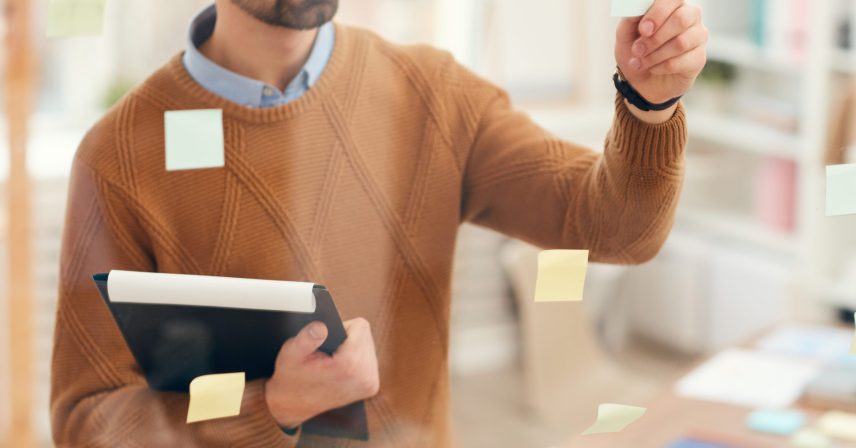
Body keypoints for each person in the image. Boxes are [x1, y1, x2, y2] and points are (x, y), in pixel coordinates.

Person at [50, 0, 707, 446]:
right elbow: (89, 422)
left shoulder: (434, 95)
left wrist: (649, 105)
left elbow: (619, 230)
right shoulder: (122, 154)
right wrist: (269, 406)